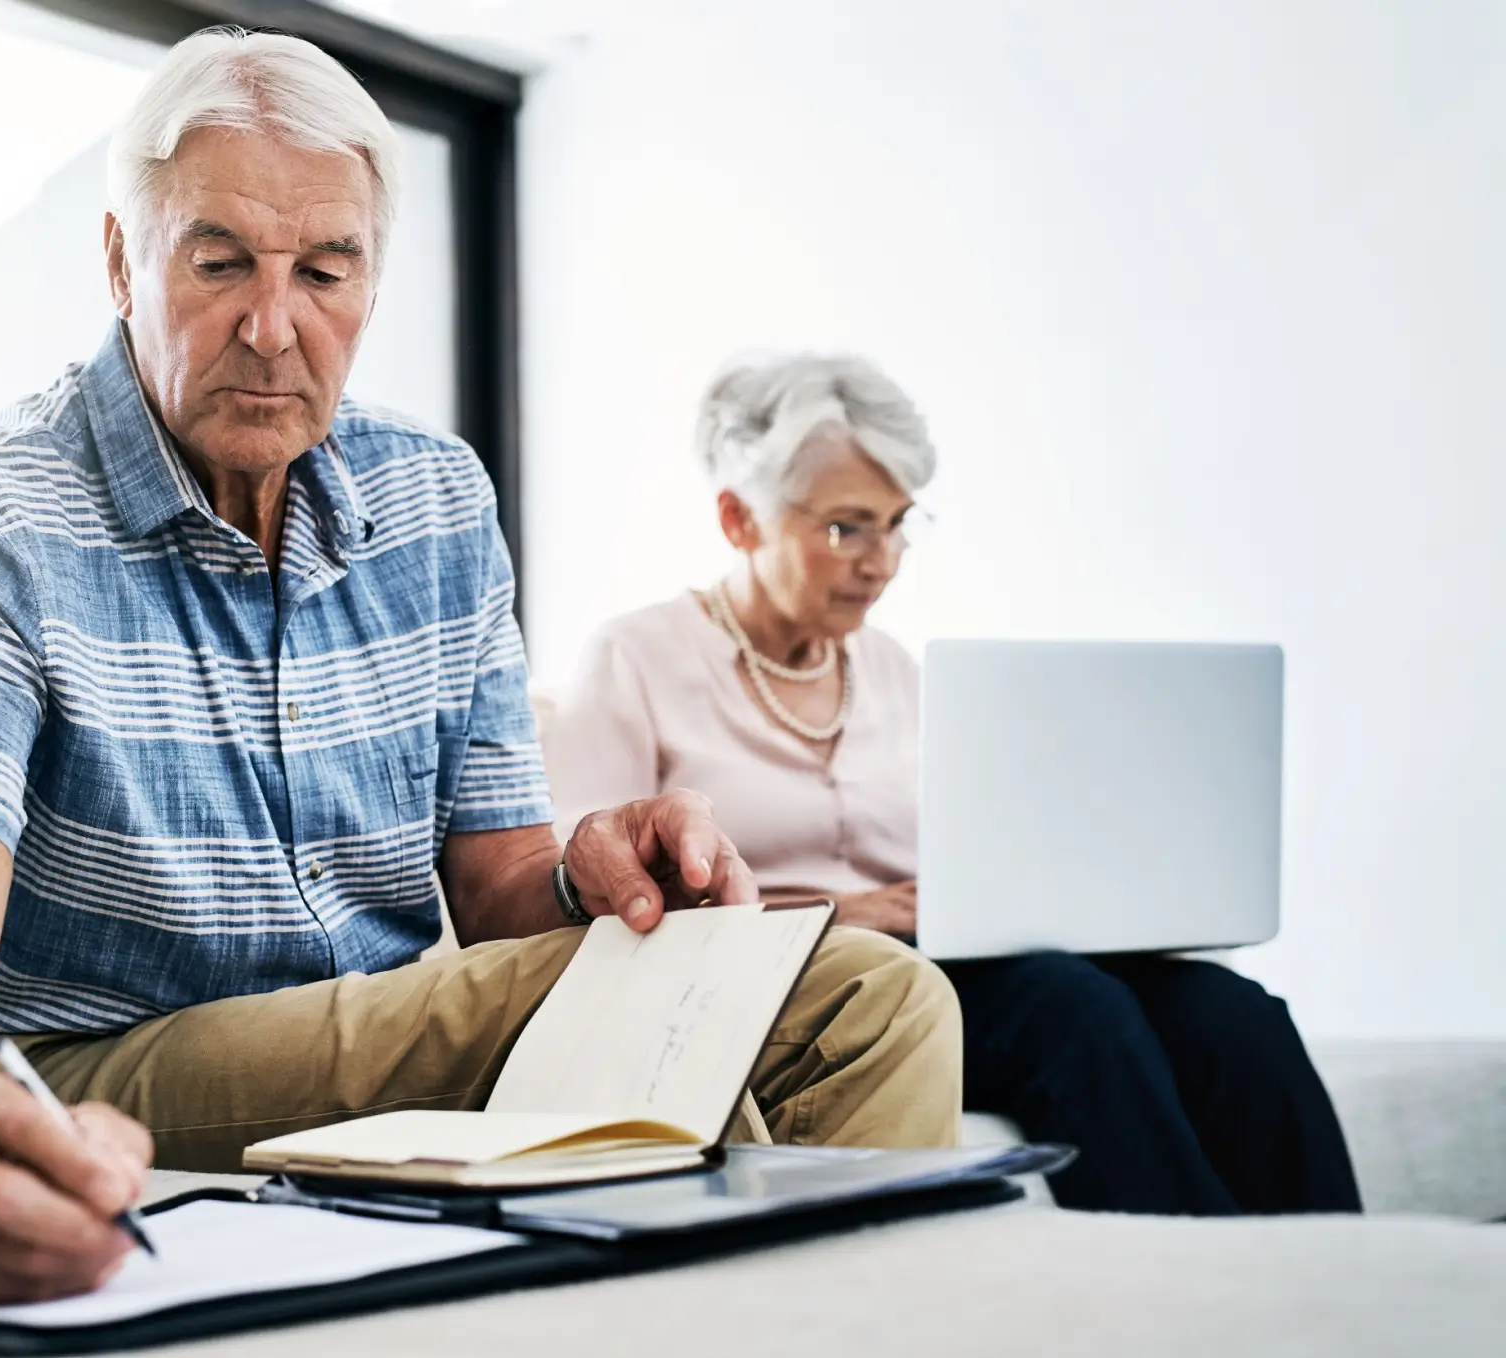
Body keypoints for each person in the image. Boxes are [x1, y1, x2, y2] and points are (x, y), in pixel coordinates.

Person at [0, 30, 964, 1307]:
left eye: (324, 271)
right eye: (218, 262)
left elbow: (501, 890)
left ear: (371, 286)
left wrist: (588, 869)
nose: (273, 328)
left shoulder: (435, 499)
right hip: (89, 1065)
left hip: (376, 1031)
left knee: (881, 1002)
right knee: (789, 989)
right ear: (119, 260)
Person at [543, 353, 1362, 1217]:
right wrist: (845, 913)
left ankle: (1344, 1276)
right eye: (848, 528)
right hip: (804, 989)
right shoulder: (634, 658)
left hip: (944, 959)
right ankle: (1190, 1281)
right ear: (739, 519)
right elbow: (597, 900)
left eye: (898, 524)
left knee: (1228, 1010)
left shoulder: (894, 670)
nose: (882, 561)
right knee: (1068, 1008)